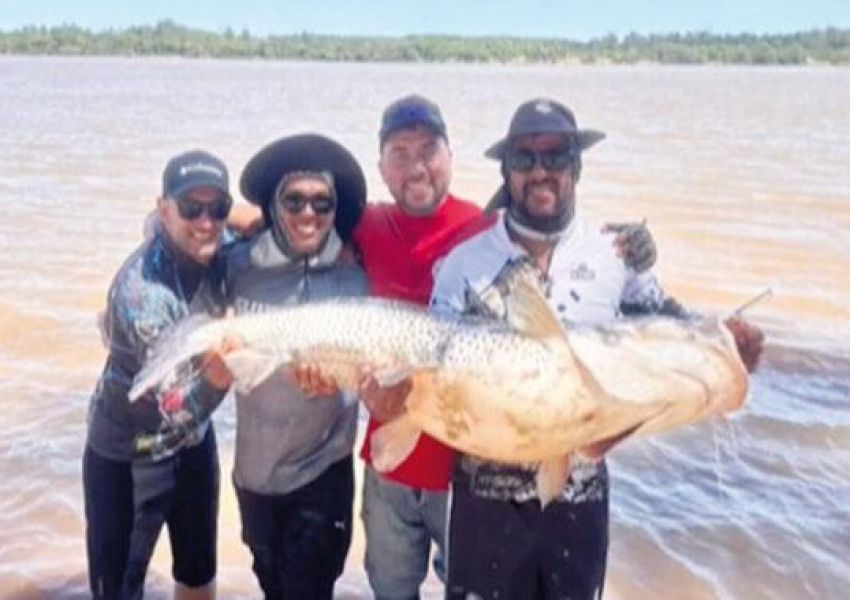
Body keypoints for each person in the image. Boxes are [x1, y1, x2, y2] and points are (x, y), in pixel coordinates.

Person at [286, 95, 657, 600]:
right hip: (392, 458)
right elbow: (297, 224)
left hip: (461, 466)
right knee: (391, 588)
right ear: (382, 167)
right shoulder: (364, 226)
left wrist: (634, 253)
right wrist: (226, 224)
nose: (416, 167)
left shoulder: (483, 230)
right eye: (401, 153)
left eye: (428, 151)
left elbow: (555, 240)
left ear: (450, 157)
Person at [430, 98, 765, 600]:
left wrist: (730, 348)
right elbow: (433, 370)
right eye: (524, 159)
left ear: (577, 166)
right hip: (485, 499)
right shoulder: (463, 263)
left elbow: (672, 333)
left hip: (581, 496)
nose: (540, 171)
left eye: (556, 156)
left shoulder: (618, 256)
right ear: (506, 172)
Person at [221, 134, 369, 599]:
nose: (309, 214)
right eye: (295, 201)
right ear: (274, 205)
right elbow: (177, 232)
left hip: (321, 473)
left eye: (322, 203)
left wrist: (339, 380)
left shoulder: (356, 273)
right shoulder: (237, 265)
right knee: (271, 586)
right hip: (254, 474)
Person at [84, 149, 235, 599]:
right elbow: (176, 411)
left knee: (197, 577)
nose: (206, 222)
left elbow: (260, 218)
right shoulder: (142, 297)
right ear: (163, 209)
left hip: (193, 450)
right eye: (191, 208)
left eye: (217, 208)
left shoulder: (218, 241)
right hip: (128, 456)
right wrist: (222, 375)